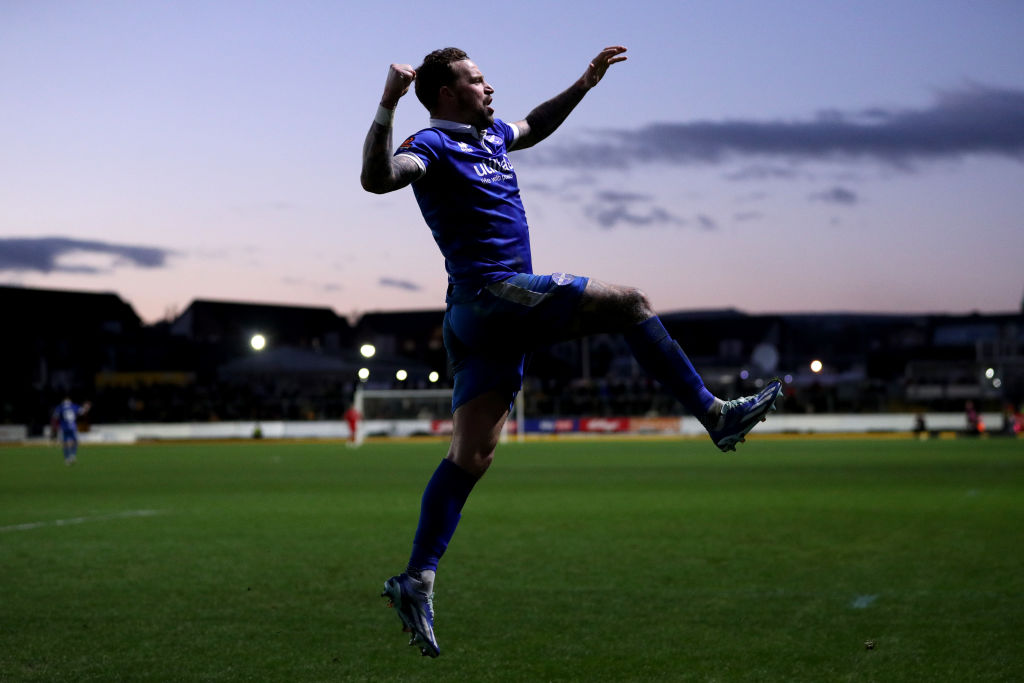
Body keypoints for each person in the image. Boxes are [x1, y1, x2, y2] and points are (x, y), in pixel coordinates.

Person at [361, 46, 782, 657]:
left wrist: (584, 84)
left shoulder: (491, 137)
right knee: (632, 302)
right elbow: (377, 179)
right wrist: (387, 104)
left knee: (471, 456)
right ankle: (715, 415)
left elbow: (534, 124)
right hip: (491, 297)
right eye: (478, 80)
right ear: (448, 94)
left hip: (480, 320)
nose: (490, 87)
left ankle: (416, 578)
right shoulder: (432, 145)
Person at [51, 397, 90, 465]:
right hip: (72, 427)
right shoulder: (73, 406)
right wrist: (86, 407)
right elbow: (82, 412)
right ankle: (73, 455)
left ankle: (67, 458)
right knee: (75, 441)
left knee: (65, 443)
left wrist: (54, 427)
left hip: (64, 427)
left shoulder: (60, 407)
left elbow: (55, 417)